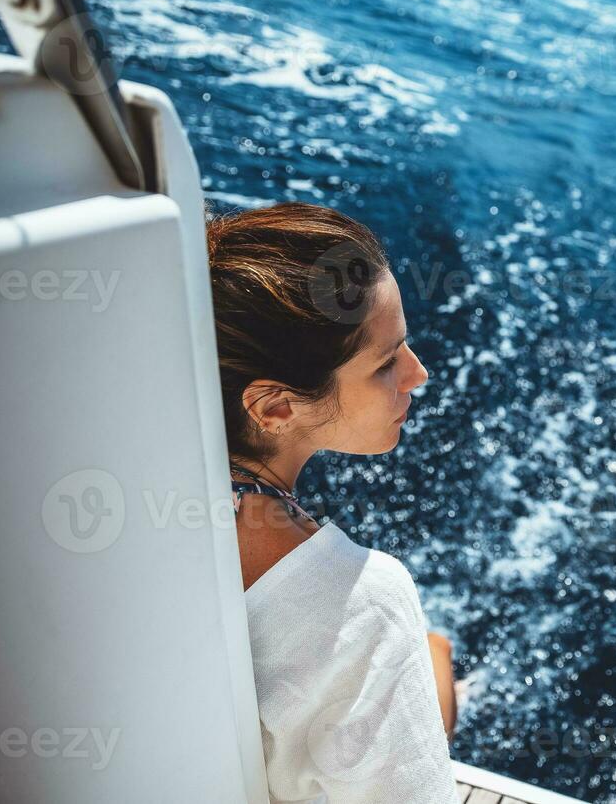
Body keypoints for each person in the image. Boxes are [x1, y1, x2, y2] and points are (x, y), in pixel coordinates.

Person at [206, 201, 460, 803]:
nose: (417, 375)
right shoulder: (363, 605)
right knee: (436, 651)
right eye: (384, 364)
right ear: (274, 406)